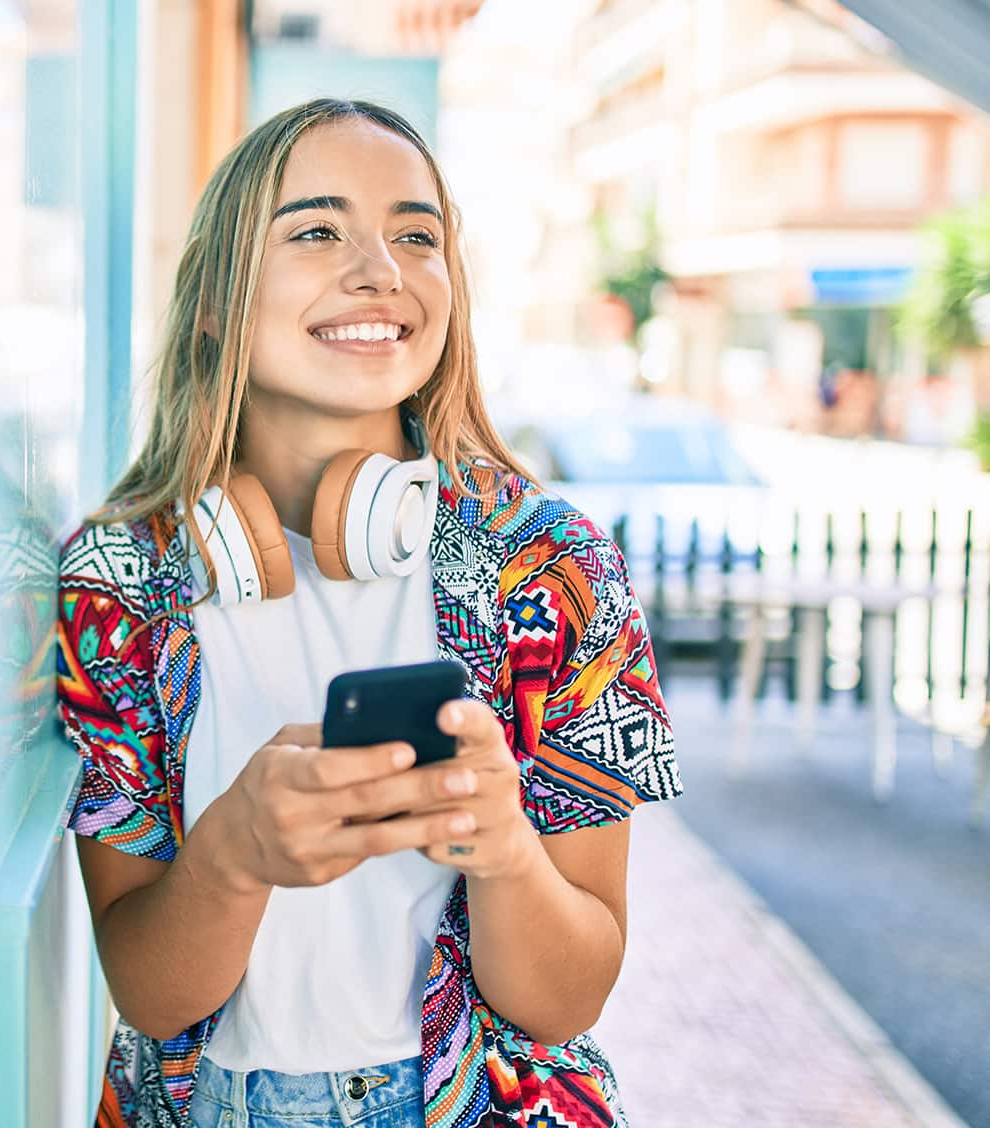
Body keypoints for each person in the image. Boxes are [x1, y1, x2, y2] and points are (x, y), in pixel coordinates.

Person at [56, 98, 682, 1128]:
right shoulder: (121, 580)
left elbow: (567, 1001)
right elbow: (151, 993)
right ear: (214, 300)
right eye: (315, 229)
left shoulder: (550, 566)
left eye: (414, 235)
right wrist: (232, 857)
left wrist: (503, 847)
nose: (380, 270)